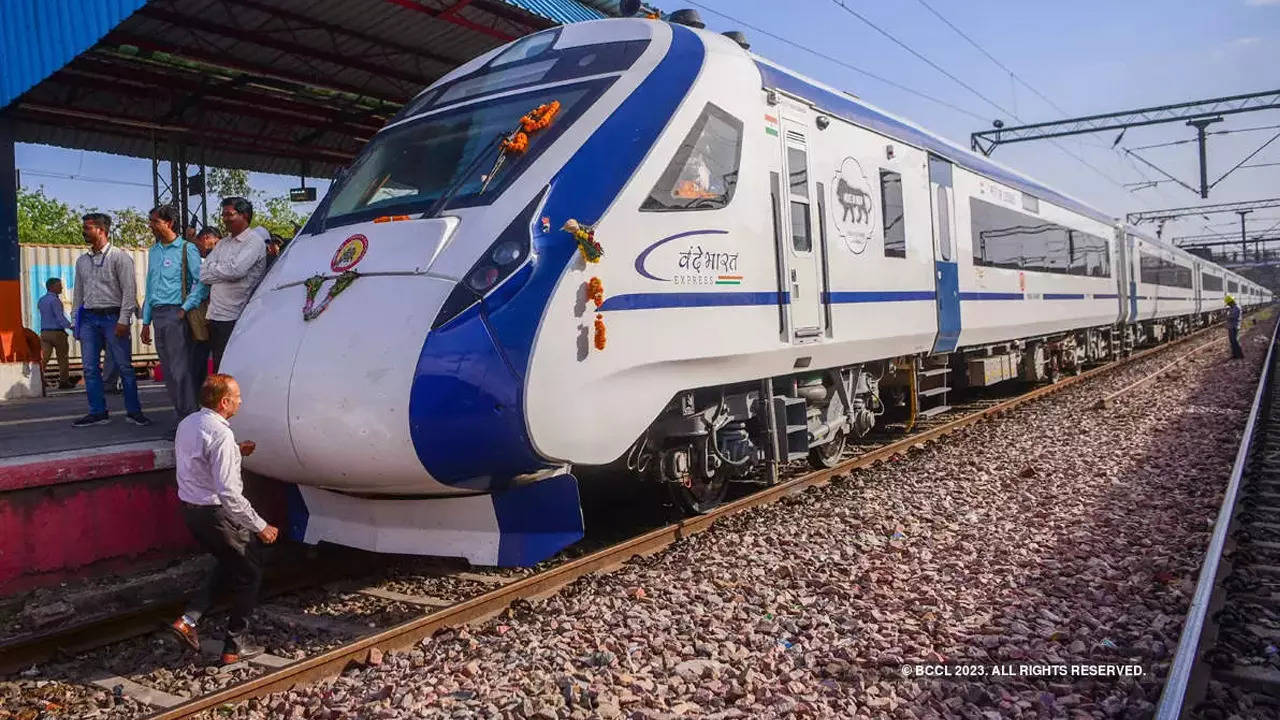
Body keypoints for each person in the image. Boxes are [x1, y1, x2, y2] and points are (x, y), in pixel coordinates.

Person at [168, 373, 279, 665]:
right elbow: (229, 493)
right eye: (238, 396)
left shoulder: (188, 423)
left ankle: (188, 620)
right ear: (225, 401)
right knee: (250, 573)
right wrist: (261, 525)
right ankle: (235, 644)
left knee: (229, 563)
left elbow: (198, 460)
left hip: (191, 511)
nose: (241, 401)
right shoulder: (221, 434)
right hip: (217, 515)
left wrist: (235, 452)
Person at [71, 213, 151, 427]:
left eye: (88, 228)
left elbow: (129, 291)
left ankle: (134, 412)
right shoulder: (82, 261)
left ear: (102, 230)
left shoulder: (120, 257)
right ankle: (98, 412)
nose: (84, 232)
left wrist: (124, 319)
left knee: (125, 367)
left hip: (113, 317)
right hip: (88, 318)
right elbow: (78, 292)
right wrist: (75, 321)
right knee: (89, 368)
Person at [141, 204, 208, 422]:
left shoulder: (186, 249)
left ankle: (189, 420)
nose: (150, 226)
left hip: (176, 314)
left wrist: (185, 308)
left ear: (169, 223)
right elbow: (150, 286)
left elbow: (201, 282)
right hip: (158, 316)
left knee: (180, 371)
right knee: (169, 373)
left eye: (155, 221)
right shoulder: (154, 251)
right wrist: (146, 319)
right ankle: (182, 418)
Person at [200, 198, 266, 371]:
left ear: (244, 215)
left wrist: (217, 269)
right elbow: (203, 274)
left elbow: (236, 271)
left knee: (235, 369)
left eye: (229, 214)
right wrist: (224, 271)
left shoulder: (254, 242)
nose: (224, 219)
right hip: (216, 316)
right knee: (219, 367)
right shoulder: (223, 243)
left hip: (237, 317)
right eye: (223, 215)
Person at [190, 227, 221, 391]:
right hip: (198, 309)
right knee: (200, 353)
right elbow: (201, 284)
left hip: (198, 308)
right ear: (206, 237)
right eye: (214, 242)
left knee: (200, 354)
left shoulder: (197, 255)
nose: (215, 247)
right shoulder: (195, 257)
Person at [37, 277, 75, 389]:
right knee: (62, 358)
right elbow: (60, 318)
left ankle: (38, 379)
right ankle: (64, 382)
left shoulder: (41, 300)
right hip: (57, 333)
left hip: (44, 333)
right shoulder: (55, 301)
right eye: (59, 285)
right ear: (52, 287)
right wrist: (71, 327)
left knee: (44, 358)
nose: (62, 287)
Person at [1226, 295, 1244, 359]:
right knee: (1232, 341)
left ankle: (1240, 355)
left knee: (1236, 341)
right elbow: (1229, 316)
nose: (1228, 305)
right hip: (1231, 327)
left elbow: (1233, 317)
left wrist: (1228, 316)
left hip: (1235, 327)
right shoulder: (1232, 308)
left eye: (1228, 303)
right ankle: (1234, 355)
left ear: (1231, 302)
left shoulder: (1237, 308)